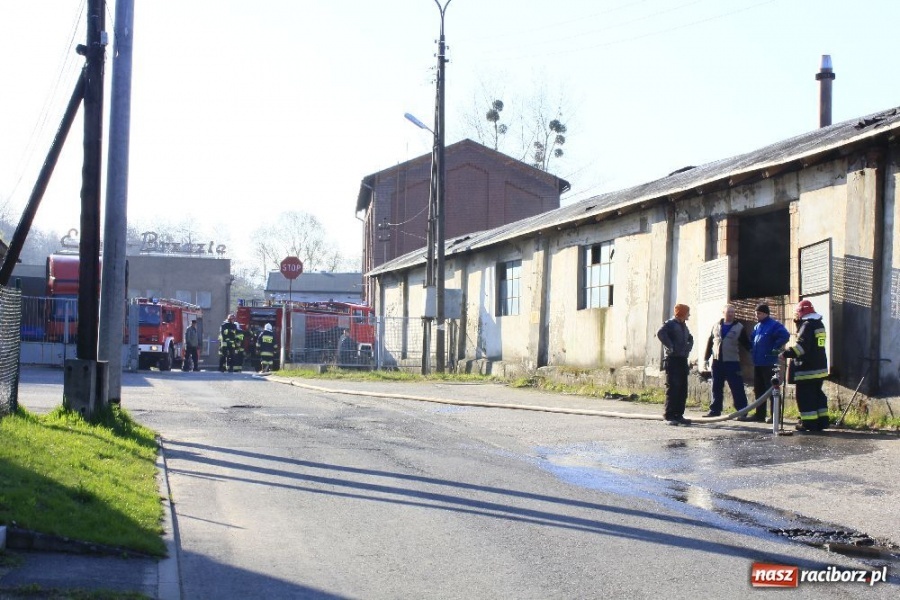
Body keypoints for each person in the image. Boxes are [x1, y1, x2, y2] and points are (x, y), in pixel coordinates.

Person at [780, 299, 829, 432]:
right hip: (819, 368)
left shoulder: (806, 325)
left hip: (807, 369)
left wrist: (786, 353)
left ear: (801, 312)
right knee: (817, 395)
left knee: (805, 397)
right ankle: (822, 421)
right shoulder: (819, 324)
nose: (795, 316)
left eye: (796, 313)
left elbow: (801, 348)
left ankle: (808, 423)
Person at [702, 304, 752, 418]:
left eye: (732, 312)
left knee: (737, 387)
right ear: (723, 313)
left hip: (732, 362)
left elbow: (746, 343)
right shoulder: (716, 326)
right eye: (728, 312)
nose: (731, 314)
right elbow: (710, 343)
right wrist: (706, 358)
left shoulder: (739, 327)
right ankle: (715, 410)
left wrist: (754, 352)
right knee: (716, 387)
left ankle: (742, 412)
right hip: (717, 362)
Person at [749, 304, 790, 422]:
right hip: (758, 362)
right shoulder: (757, 327)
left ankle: (775, 415)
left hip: (769, 362)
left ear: (766, 313)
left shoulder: (774, 325)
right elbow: (753, 339)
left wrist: (775, 348)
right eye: (756, 313)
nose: (757, 315)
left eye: (759, 313)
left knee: (772, 389)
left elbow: (785, 335)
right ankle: (759, 414)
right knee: (759, 390)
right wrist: (753, 349)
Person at [657, 303, 694, 426]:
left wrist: (688, 348)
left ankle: (679, 414)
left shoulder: (684, 326)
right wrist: (671, 346)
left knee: (682, 388)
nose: (689, 314)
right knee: (673, 387)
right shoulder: (670, 324)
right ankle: (669, 415)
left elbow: (690, 338)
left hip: (682, 359)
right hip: (672, 360)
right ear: (682, 313)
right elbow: (660, 333)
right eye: (687, 312)